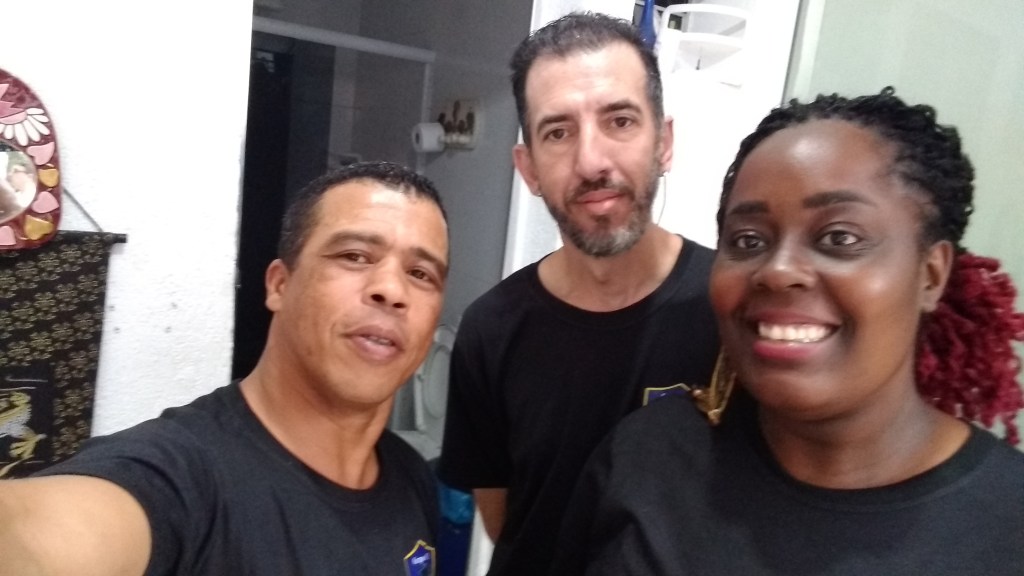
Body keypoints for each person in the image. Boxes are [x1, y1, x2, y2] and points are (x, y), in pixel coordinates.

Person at [551, 87, 1024, 575]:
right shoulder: (648, 456)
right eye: (747, 240)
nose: (777, 271)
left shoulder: (1008, 526)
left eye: (839, 237)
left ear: (931, 275)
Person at [0, 161, 451, 576]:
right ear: (280, 285)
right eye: (354, 255)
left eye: (421, 274)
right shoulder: (180, 479)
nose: (392, 289)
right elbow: (41, 537)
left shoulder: (411, 476)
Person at [438, 12, 720, 576]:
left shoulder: (731, 307)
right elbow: (503, 520)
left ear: (664, 142)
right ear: (529, 169)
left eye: (620, 120)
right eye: (558, 132)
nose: (591, 161)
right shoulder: (490, 329)